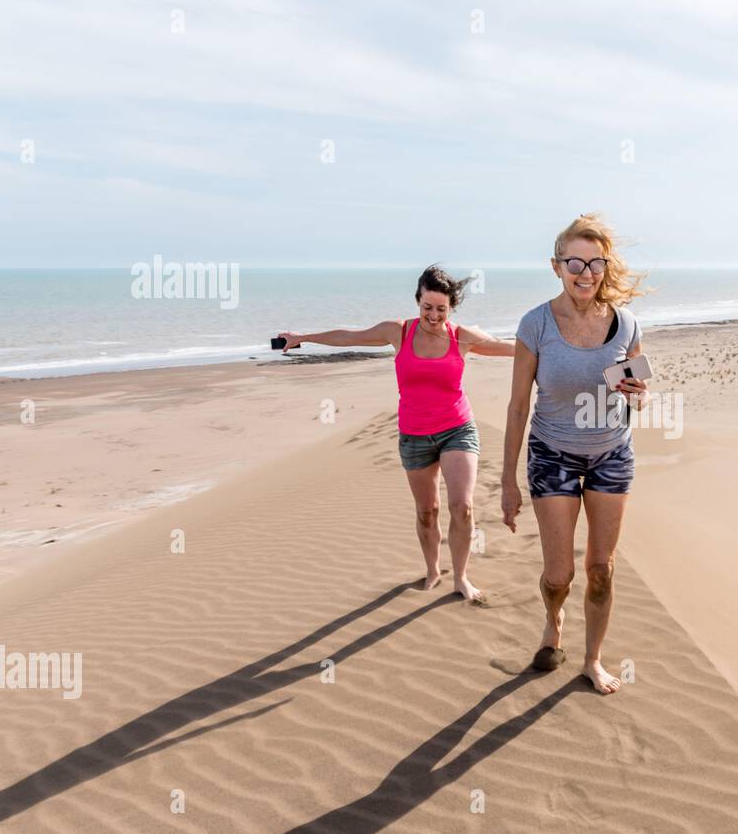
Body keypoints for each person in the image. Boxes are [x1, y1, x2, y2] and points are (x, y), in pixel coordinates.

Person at [278, 266, 514, 603]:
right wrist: (303, 337)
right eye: (427, 307)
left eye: (441, 309)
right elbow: (350, 336)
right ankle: (433, 570)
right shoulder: (398, 332)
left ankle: (461, 577)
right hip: (415, 435)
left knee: (462, 505)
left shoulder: (462, 336)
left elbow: (511, 349)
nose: (433, 315)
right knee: (427, 511)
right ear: (418, 302)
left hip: (457, 429)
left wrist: (566, 351)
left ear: (451, 309)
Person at [501, 214, 650, 694]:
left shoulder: (626, 325)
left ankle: (593, 659)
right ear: (556, 265)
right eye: (574, 262)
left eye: (595, 263)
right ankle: (554, 618)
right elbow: (518, 404)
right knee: (560, 573)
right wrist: (507, 481)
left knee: (601, 571)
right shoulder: (535, 324)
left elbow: (639, 395)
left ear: (606, 266)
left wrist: (637, 392)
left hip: (612, 455)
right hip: (552, 455)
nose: (585, 273)